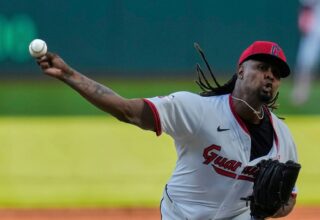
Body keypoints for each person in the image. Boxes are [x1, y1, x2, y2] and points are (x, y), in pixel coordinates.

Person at [36, 40, 299, 219]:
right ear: (241, 71)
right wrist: (70, 75)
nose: (270, 76)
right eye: (262, 67)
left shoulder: (282, 138)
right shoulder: (197, 110)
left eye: (276, 73)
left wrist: (272, 209)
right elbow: (127, 110)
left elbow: (289, 199)